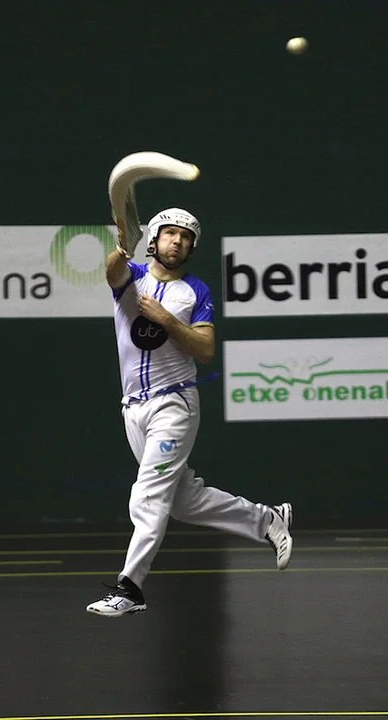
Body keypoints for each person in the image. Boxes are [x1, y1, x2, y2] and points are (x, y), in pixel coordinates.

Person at [86, 207, 293, 618]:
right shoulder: (132, 278)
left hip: (174, 404)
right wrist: (122, 247)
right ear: (154, 240)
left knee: (148, 494)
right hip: (134, 409)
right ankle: (267, 520)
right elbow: (111, 272)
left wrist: (167, 320)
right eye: (170, 234)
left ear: (191, 248)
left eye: (185, 237)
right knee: (183, 501)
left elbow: (205, 349)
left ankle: (130, 587)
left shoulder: (195, 291)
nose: (177, 241)